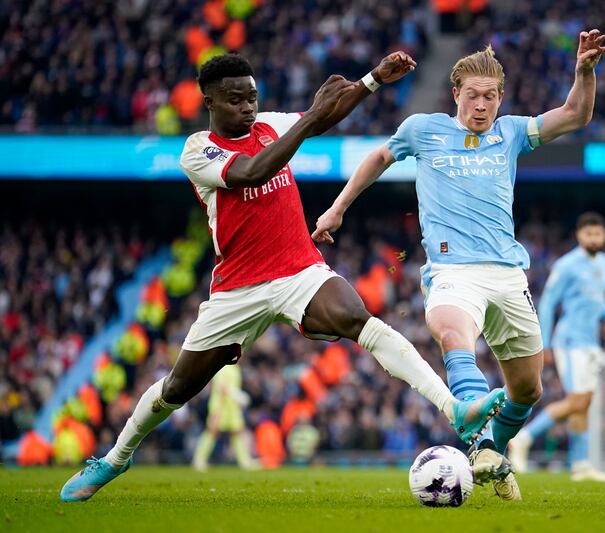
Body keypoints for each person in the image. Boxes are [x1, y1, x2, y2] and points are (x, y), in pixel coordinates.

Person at [60, 52, 505, 502]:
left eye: (252, 98)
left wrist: (371, 81)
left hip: (298, 269)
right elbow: (257, 169)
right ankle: (116, 459)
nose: (247, 107)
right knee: (178, 388)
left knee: (360, 319)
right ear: (210, 102)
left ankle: (456, 410)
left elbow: (324, 115)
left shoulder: (270, 125)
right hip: (239, 287)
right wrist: (311, 115)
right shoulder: (198, 150)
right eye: (235, 100)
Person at [313, 30, 605, 500]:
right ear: (456, 94)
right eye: (472, 96)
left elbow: (575, 114)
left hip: (508, 275)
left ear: (500, 98)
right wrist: (337, 209)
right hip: (453, 272)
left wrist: (584, 72)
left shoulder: (512, 132)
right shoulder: (423, 129)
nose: (481, 105)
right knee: (453, 333)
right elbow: (378, 157)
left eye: (490, 97)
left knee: (528, 391)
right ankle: (475, 432)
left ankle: (490, 448)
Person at [508, 212, 605, 482]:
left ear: (604, 235)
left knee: (584, 403)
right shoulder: (567, 264)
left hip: (591, 341)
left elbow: (598, 300)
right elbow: (548, 303)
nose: (593, 238)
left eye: (598, 234)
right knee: (577, 401)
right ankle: (524, 438)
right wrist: (545, 343)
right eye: (589, 233)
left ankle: (581, 465)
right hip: (569, 340)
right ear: (579, 235)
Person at [192, 364, 256, 471]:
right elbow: (222, 387)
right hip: (220, 406)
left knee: (237, 432)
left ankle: (245, 461)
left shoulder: (235, 368)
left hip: (232, 407)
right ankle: (198, 460)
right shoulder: (222, 366)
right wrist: (238, 396)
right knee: (212, 431)